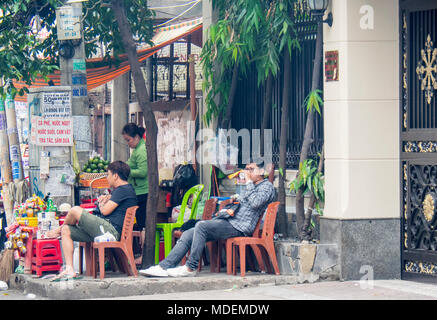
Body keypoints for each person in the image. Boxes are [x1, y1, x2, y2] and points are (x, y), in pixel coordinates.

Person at [139, 162, 276, 278]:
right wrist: (235, 197)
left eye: (251, 169)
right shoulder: (251, 186)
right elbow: (243, 199)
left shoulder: (267, 186)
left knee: (202, 226)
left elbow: (256, 203)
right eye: (246, 169)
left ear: (262, 171)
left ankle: (190, 268)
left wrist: (249, 183)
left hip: (240, 226)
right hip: (229, 221)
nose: (247, 172)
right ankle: (164, 267)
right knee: (188, 233)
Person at [48, 161, 138, 280]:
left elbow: (105, 211)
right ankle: (69, 269)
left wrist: (100, 203)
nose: (107, 178)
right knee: (67, 230)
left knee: (75, 210)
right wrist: (107, 199)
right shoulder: (124, 190)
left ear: (115, 176)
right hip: (105, 229)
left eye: (108, 174)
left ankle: (57, 230)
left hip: (110, 231)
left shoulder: (123, 189)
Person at [122, 123, 148, 232]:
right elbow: (131, 163)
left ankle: (144, 246)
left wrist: (127, 171)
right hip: (138, 190)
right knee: (140, 222)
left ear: (136, 137)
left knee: (142, 223)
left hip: (142, 191)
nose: (128, 143)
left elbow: (143, 172)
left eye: (128, 140)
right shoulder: (137, 149)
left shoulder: (141, 150)